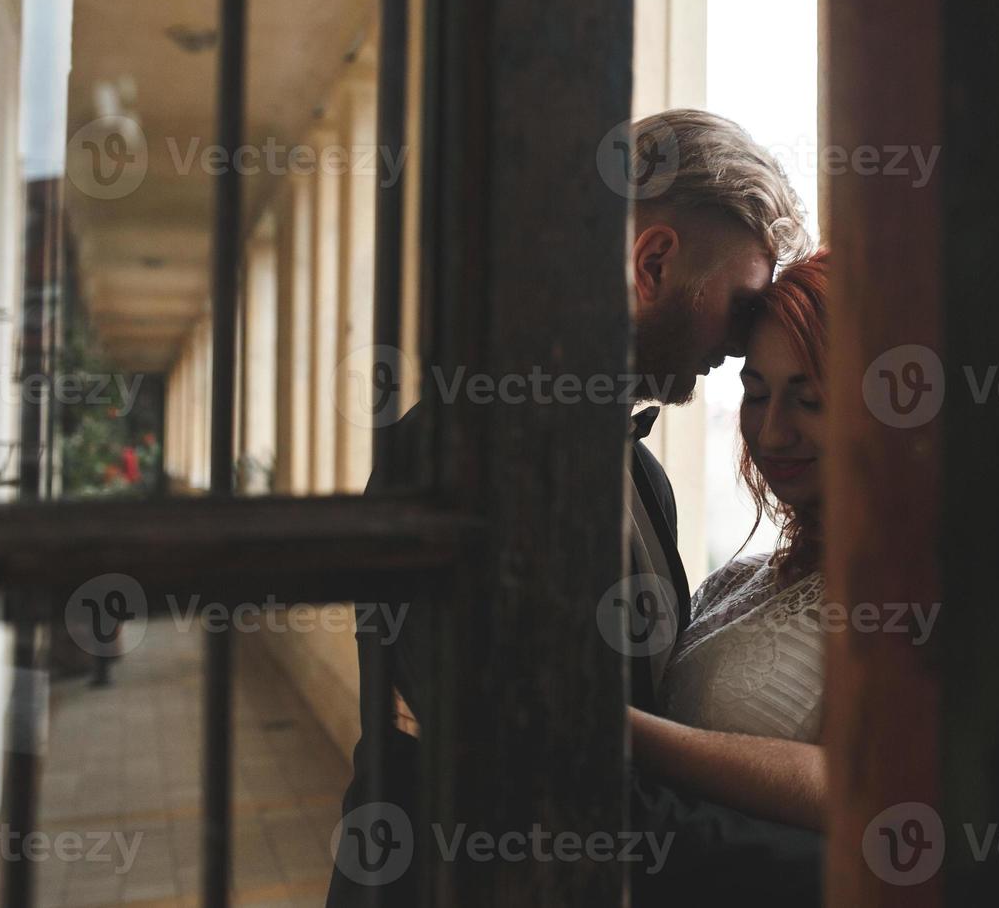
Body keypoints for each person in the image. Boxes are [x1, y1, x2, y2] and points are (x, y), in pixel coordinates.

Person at [326, 110, 823, 907]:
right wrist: (829, 873)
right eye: (737, 308)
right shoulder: (459, 452)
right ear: (653, 263)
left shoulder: (645, 479)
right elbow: (531, 779)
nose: (737, 350)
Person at [630, 250, 829, 834]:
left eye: (809, 398)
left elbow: (873, 787)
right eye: (758, 393)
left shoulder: (921, 586)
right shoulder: (742, 578)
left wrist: (607, 726)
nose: (772, 433)